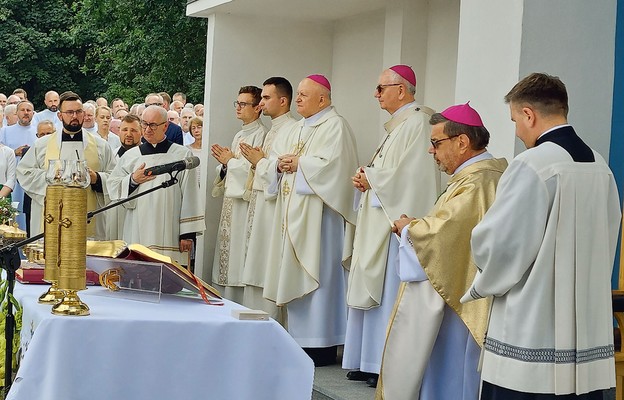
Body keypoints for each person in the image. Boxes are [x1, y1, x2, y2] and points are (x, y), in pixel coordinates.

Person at [461, 73, 620, 399]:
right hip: (586, 330)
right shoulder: (600, 166)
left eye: (515, 120)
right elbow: (609, 235)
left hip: (531, 330)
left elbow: (501, 244)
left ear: (529, 114)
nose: (517, 131)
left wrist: (481, 275)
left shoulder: (532, 165)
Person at [375, 103, 507, 400]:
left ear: (462, 142)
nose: (430, 151)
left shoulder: (477, 182)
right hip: (460, 289)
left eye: (436, 143)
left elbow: (447, 234)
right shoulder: (481, 175)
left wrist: (411, 229)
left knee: (451, 375)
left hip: (460, 300)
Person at [343, 65, 439, 388]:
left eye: (381, 88)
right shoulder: (397, 126)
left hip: (394, 223)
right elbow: (388, 171)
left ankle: (381, 363)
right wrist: (366, 177)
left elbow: (412, 176)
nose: (376, 94)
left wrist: (371, 177)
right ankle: (366, 360)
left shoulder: (419, 122)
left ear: (402, 90)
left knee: (388, 292)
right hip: (379, 217)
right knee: (377, 292)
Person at [263, 75, 358, 366]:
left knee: (320, 275)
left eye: (305, 94)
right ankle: (298, 339)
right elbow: (274, 161)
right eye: (299, 94)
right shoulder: (297, 128)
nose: (299, 99)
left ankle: (322, 344)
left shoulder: (335, 125)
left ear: (323, 99)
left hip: (320, 219)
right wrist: (278, 165)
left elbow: (337, 169)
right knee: (294, 273)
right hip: (292, 215)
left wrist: (299, 164)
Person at [107, 106, 204, 265]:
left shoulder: (182, 155)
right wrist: (132, 180)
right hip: (137, 226)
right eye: (144, 124)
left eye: (153, 125)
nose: (147, 129)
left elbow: (190, 194)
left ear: (165, 126)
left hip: (170, 230)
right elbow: (113, 187)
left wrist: (187, 234)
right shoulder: (131, 156)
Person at [16, 91, 116, 239]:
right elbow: (24, 172)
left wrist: (97, 179)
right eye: (69, 112)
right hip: (53, 215)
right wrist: (52, 175)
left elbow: (115, 178)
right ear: (60, 115)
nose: (74, 116)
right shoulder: (42, 144)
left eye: (78, 112)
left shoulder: (101, 145)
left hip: (88, 217)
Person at [239, 77, 298, 325]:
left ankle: (270, 322)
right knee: (257, 262)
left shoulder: (292, 128)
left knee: (268, 265)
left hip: (274, 208)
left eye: (266, 98)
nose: (261, 103)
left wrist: (259, 162)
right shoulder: (274, 128)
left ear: (283, 101)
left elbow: (284, 167)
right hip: (261, 203)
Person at [211, 85, 267, 303]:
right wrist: (225, 166)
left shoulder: (261, 135)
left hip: (245, 207)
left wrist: (230, 162)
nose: (239, 108)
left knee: (238, 259)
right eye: (238, 103)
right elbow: (235, 166)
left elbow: (253, 172)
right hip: (231, 207)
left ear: (257, 108)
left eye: (244, 104)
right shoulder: (240, 135)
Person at [0, 100, 37, 233]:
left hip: (31, 180)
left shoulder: (37, 131)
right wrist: (15, 152)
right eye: (23, 110)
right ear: (17, 113)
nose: (26, 113)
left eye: (29, 110)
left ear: (33, 113)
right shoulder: (5, 131)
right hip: (11, 181)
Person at [107, 114, 143, 240]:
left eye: (133, 130)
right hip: (111, 213)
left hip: (136, 214)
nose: (128, 134)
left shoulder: (145, 157)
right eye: (124, 130)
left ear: (141, 132)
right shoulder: (111, 154)